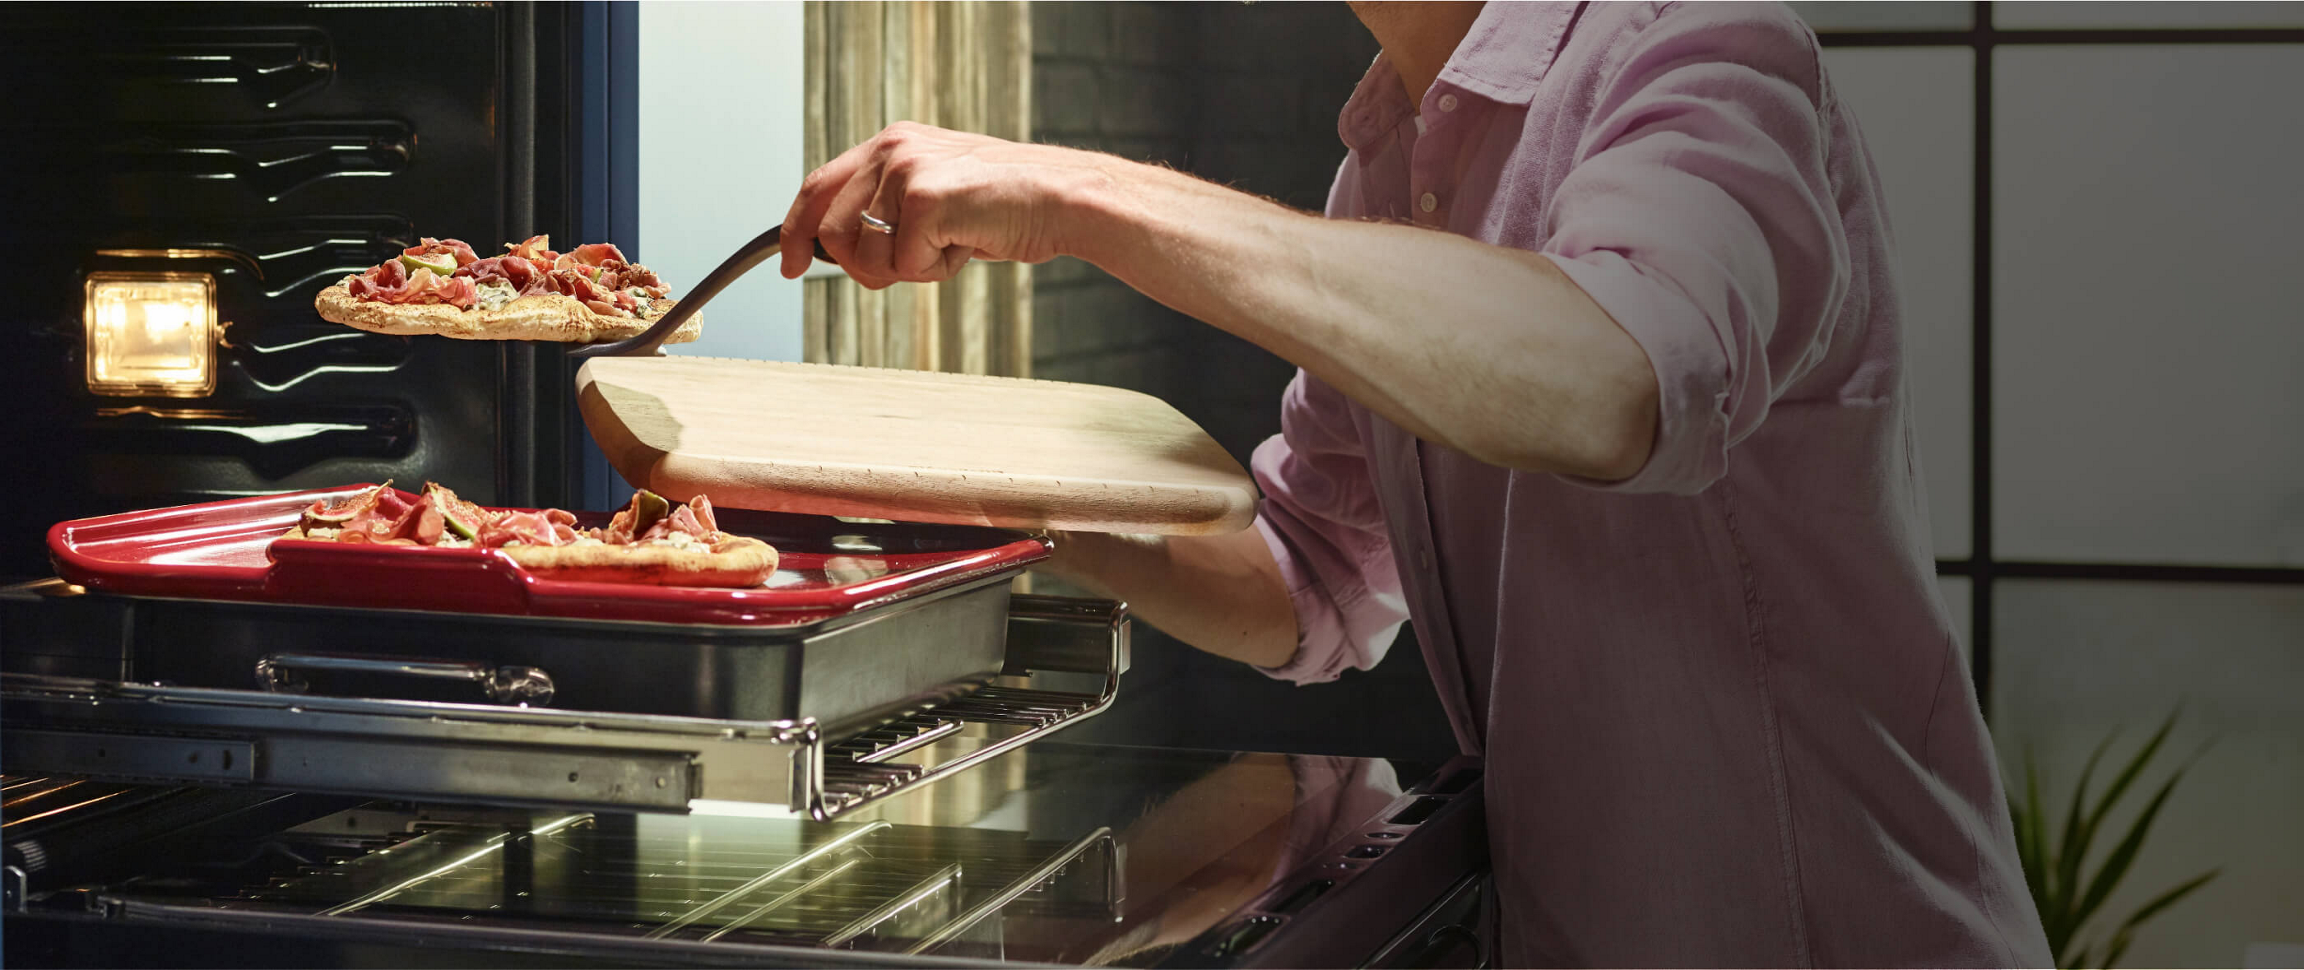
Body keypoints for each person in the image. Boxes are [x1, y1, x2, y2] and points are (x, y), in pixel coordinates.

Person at [779, 2, 2052, 965]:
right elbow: (1308, 581)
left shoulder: (1702, 44)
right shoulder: (1385, 169)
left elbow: (1616, 375)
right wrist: (995, 494)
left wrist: (1076, 190)